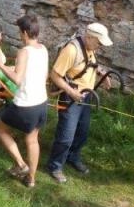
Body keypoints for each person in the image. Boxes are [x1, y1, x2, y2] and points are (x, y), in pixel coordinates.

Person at [46, 23, 113, 183]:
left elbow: (87, 64)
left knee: (82, 133)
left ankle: (72, 157)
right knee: (66, 135)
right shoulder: (71, 50)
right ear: (89, 37)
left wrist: (101, 73)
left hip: (85, 97)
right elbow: (55, 76)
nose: (100, 46)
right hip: (71, 96)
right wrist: (71, 92)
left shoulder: (90, 48)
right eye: (99, 42)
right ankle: (55, 166)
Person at [0, 15, 48, 188]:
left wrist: (0, 65)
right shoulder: (43, 49)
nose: (19, 35)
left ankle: (21, 164)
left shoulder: (24, 51)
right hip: (41, 103)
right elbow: (43, 75)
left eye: (19, 32)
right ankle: (31, 179)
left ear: (24, 32)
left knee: (0, 129)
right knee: (32, 140)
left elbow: (17, 79)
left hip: (25, 104)